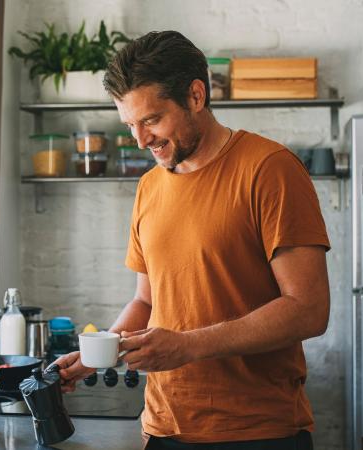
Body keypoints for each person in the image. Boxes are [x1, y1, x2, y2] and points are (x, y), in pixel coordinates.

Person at [51, 31, 330, 450]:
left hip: (257, 433)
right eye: (130, 124)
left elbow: (309, 310)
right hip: (162, 427)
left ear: (196, 96)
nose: (141, 140)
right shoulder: (148, 187)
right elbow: (146, 301)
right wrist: (97, 355)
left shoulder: (269, 169)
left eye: (151, 120)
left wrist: (188, 346)